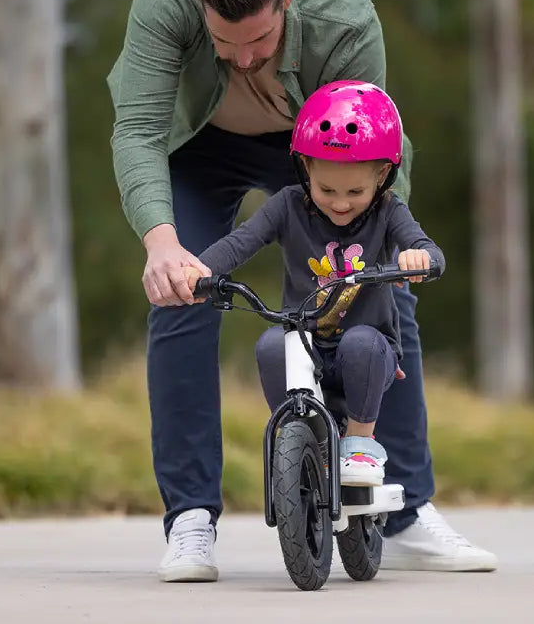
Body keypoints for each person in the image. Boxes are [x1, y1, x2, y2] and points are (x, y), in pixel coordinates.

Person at [108, 0, 497, 582]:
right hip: (200, 148)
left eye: (258, 41)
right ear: (199, 4)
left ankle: (402, 513)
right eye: (223, 44)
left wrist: (390, 253)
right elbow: (139, 126)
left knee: (385, 298)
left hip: (323, 149)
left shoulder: (341, 6)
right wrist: (162, 243)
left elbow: (375, 138)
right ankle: (190, 520)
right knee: (183, 292)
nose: (241, 59)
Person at [185, 80, 442, 492]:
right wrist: (197, 270)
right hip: (306, 342)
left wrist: (419, 259)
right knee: (271, 344)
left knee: (359, 342)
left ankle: (359, 443)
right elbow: (241, 242)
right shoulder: (287, 205)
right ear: (306, 170)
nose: (340, 203)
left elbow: (428, 250)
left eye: (355, 191)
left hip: (369, 345)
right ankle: (299, 438)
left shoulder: (389, 211)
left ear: (382, 175)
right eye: (327, 190)